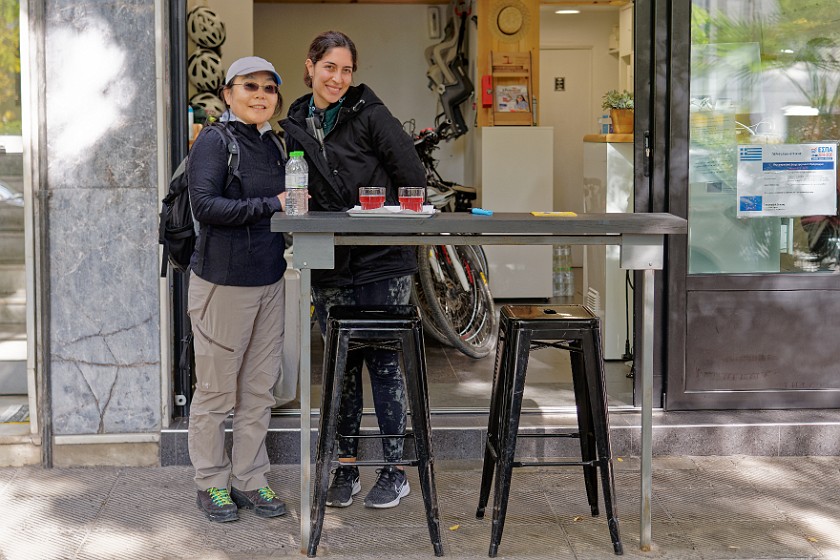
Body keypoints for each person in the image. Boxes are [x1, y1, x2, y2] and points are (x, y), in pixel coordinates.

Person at [281, 30, 426, 509]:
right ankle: (346, 469)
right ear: (311, 66)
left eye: (346, 70)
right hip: (330, 262)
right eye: (329, 68)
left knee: (384, 364)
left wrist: (377, 218)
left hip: (383, 260)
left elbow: (414, 180)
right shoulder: (297, 120)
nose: (338, 79)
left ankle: (393, 469)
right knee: (341, 369)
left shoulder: (371, 114)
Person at [187, 56, 289, 523]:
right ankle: (212, 483)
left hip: (269, 280)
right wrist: (274, 204)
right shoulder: (214, 140)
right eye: (250, 86)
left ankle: (250, 479)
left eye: (269, 88)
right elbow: (206, 205)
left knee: (258, 390)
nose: (261, 95)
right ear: (228, 94)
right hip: (223, 284)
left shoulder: (273, 144)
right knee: (214, 393)